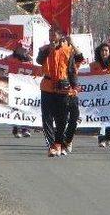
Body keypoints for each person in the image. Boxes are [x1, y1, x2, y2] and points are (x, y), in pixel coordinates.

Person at [36, 28, 75, 157]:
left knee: (62, 118)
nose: (52, 35)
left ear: (60, 35)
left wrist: (74, 86)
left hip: (63, 87)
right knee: (47, 117)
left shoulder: (68, 50)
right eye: (50, 33)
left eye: (55, 33)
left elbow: (71, 70)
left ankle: (59, 143)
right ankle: (51, 145)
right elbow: (39, 60)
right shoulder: (44, 49)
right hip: (47, 87)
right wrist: (49, 50)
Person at [90, 43, 110, 147]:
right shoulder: (94, 65)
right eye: (102, 50)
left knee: (109, 117)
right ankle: (101, 139)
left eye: (106, 51)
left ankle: (109, 136)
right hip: (99, 95)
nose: (104, 53)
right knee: (101, 117)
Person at [61, 37, 84, 154]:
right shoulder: (59, 59)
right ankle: (60, 143)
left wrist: (72, 42)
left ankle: (68, 141)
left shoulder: (75, 61)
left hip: (73, 93)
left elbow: (80, 55)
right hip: (61, 93)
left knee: (74, 118)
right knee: (62, 119)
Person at [9, 45, 33, 138]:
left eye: (26, 48)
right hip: (13, 87)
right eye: (22, 48)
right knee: (15, 108)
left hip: (26, 88)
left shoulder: (30, 60)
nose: (24, 50)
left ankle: (25, 128)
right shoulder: (9, 58)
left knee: (26, 107)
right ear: (17, 49)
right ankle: (16, 128)